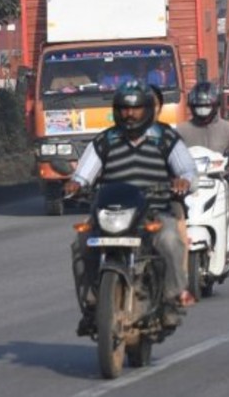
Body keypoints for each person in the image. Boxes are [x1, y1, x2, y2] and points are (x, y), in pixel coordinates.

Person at [65, 81, 198, 336]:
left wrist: (184, 181)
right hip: (109, 214)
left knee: (170, 239)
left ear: (148, 110)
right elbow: (84, 174)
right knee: (80, 243)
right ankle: (92, 304)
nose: (130, 114)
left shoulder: (166, 137)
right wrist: (75, 184)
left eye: (136, 109)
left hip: (153, 212)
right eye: (124, 109)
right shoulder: (105, 140)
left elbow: (188, 171)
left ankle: (172, 300)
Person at [176, 82, 229, 177]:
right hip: (189, 182)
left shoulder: (228, 129)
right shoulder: (180, 131)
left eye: (206, 106)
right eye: (199, 107)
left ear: (215, 105)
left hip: (218, 180)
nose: (202, 110)